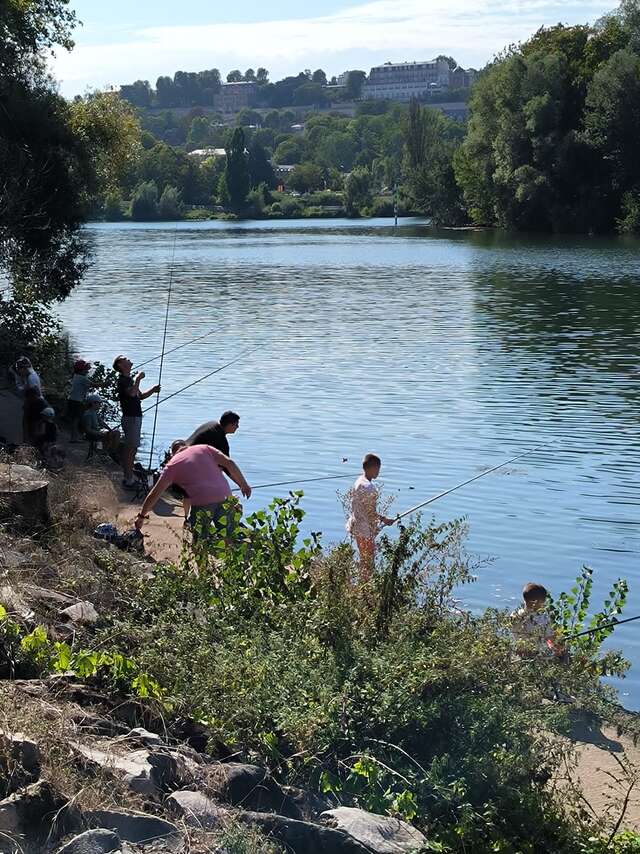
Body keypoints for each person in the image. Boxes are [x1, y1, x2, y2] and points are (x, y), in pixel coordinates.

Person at [134, 443, 251, 543]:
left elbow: (155, 494)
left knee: (200, 542)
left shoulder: (172, 466)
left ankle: (202, 566)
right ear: (187, 446)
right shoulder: (204, 448)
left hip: (203, 502)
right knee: (227, 537)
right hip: (225, 495)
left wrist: (141, 516)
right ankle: (228, 564)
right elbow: (229, 463)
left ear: (172, 454)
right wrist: (243, 484)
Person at [112, 355, 160, 489]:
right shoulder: (123, 380)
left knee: (132, 449)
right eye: (125, 359)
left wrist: (153, 390)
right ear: (121, 365)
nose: (128, 359)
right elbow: (132, 394)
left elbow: (140, 396)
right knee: (130, 449)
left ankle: (129, 477)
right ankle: (128, 480)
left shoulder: (128, 380)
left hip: (135, 418)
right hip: (131, 418)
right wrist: (138, 379)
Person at [346, 453, 395, 574]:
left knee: (364, 559)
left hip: (356, 526)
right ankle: (366, 588)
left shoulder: (358, 481)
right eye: (378, 468)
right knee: (368, 563)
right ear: (373, 468)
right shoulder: (369, 488)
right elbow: (370, 513)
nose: (379, 471)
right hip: (364, 530)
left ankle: (363, 586)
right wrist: (384, 520)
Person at [511, 583, 563, 657]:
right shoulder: (543, 619)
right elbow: (550, 639)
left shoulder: (515, 615)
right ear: (538, 603)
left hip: (519, 653)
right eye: (543, 602)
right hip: (537, 655)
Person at [67, 359, 91, 442]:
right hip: (77, 402)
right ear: (81, 370)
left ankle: (74, 437)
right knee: (76, 420)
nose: (87, 371)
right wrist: (105, 384)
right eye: (85, 369)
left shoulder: (76, 376)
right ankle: (74, 438)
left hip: (72, 400)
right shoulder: (82, 378)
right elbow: (93, 384)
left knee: (75, 420)